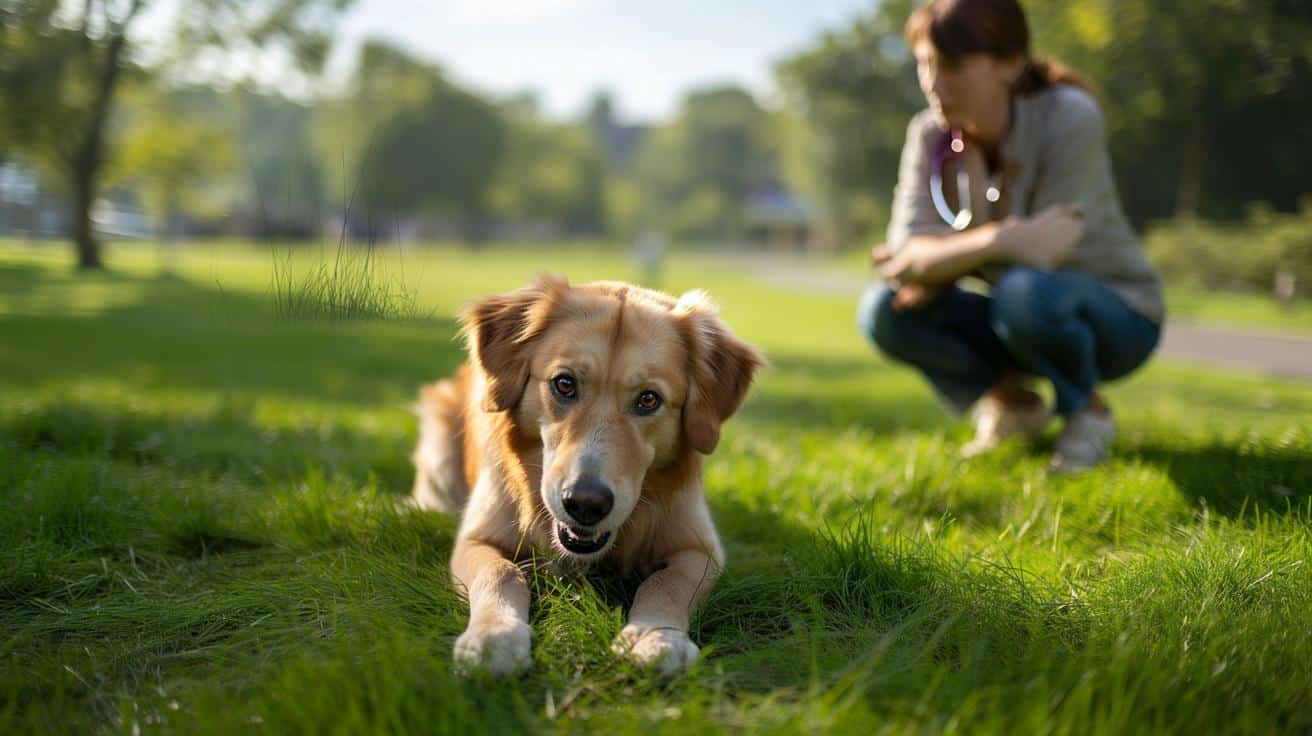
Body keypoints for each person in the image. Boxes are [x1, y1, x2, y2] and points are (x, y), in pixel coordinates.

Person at [855, 0, 1165, 473]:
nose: (933, 85)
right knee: (883, 310)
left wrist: (941, 262)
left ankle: (1087, 412)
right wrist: (1001, 238)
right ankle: (1013, 405)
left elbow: (1045, 253)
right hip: (1014, 314)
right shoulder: (928, 135)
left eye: (953, 66)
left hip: (1115, 318)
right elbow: (902, 261)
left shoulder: (1070, 116)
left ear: (1011, 63)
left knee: (1023, 291)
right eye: (925, 64)